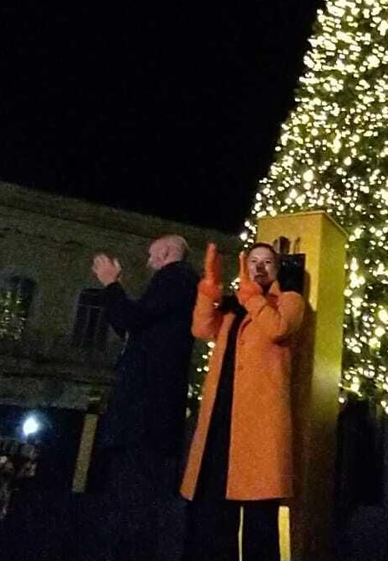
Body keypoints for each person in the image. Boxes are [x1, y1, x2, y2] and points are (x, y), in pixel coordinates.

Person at [179, 243, 306, 561]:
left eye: (267, 263)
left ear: (276, 270)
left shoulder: (288, 301)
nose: (260, 268)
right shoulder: (233, 308)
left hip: (259, 422)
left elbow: (278, 329)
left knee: (259, 517)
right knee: (214, 508)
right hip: (223, 416)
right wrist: (209, 291)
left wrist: (252, 298)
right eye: (253, 261)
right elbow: (201, 328)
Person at [88, 234, 200, 561]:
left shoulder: (175, 278)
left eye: (152, 256)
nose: (149, 263)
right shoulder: (179, 284)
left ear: (165, 253)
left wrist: (111, 284)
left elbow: (131, 320)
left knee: (133, 504)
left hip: (144, 416)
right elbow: (132, 324)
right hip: (149, 416)